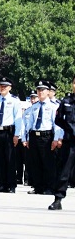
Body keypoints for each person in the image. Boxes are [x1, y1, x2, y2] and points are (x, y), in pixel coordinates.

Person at [21, 80, 62, 195]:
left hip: (47, 136)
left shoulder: (54, 106)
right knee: (36, 162)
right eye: (38, 90)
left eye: (43, 90)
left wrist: (56, 139)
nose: (40, 92)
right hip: (35, 135)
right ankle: (38, 186)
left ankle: (49, 187)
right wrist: (28, 138)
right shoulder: (34, 107)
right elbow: (30, 123)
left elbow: (57, 124)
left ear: (48, 92)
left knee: (48, 162)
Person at [0, 77, 22, 194]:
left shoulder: (14, 101)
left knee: (10, 159)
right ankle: (2, 184)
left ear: (10, 88)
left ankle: (11, 185)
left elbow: (18, 118)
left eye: (5, 86)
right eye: (1, 86)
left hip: (9, 131)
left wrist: (17, 135)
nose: (2, 88)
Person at [49, 75, 75, 210]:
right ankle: (58, 199)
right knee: (64, 171)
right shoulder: (66, 101)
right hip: (70, 142)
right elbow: (58, 119)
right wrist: (69, 129)